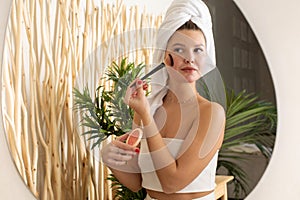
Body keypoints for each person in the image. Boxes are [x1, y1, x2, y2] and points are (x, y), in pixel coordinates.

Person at [101, 0, 225, 199]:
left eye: (198, 50)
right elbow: (138, 183)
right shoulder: (150, 106)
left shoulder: (211, 113)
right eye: (179, 49)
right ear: (164, 56)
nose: (189, 58)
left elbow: (171, 183)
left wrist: (146, 118)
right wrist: (110, 157)